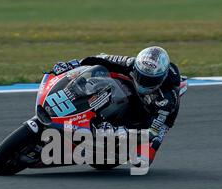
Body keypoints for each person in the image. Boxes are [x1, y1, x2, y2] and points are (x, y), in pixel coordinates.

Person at [51, 46, 181, 165]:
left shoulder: (167, 99)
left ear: (161, 78)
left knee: (141, 160)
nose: (143, 83)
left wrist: (121, 131)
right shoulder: (131, 63)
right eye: (140, 76)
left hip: (157, 118)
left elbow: (152, 131)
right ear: (136, 68)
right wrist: (72, 64)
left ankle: (115, 143)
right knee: (104, 74)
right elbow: (102, 58)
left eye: (149, 80)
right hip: (133, 91)